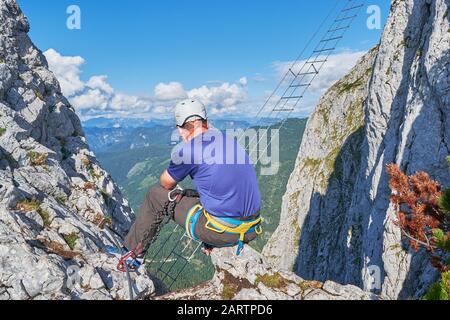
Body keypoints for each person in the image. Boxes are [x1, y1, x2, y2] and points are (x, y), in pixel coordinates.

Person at [107, 99, 262, 271]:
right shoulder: (229, 141)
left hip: (223, 231)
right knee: (194, 193)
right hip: (252, 228)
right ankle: (213, 236)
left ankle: (132, 255)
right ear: (205, 122)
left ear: (184, 127)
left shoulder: (188, 151)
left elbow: (165, 183)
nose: (180, 133)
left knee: (155, 195)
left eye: (179, 128)